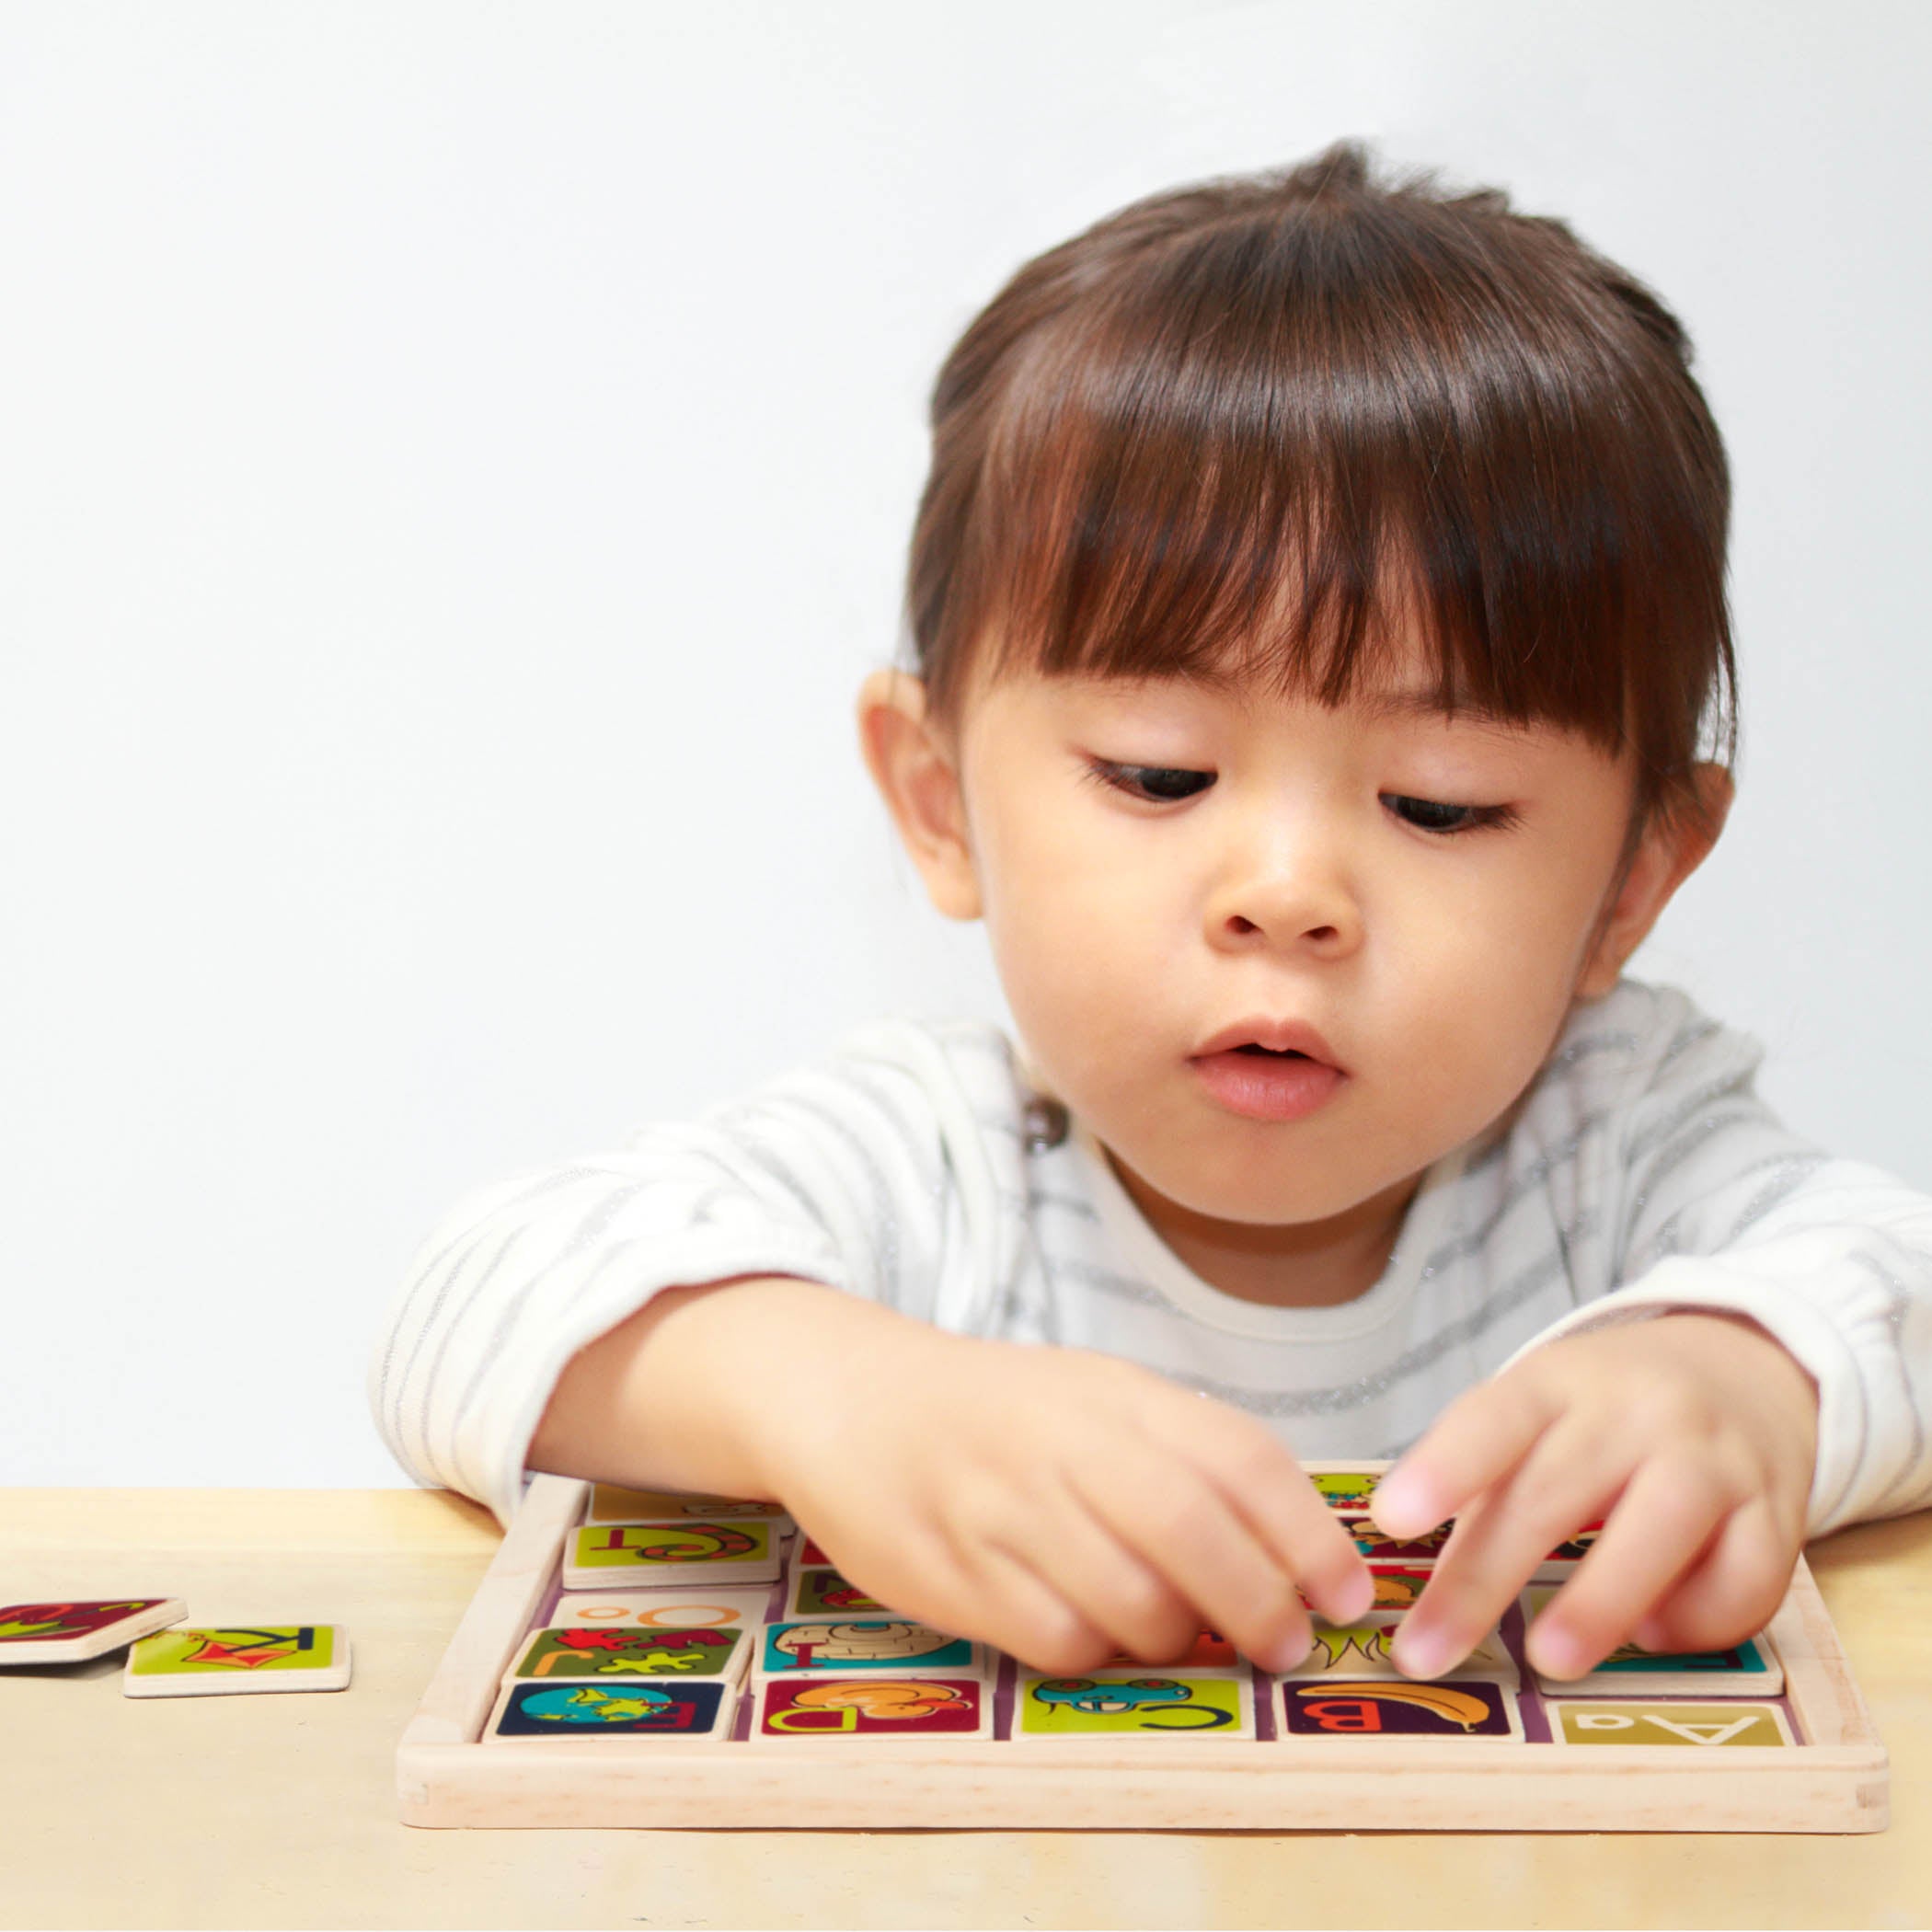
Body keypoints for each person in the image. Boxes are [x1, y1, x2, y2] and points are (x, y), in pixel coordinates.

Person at [369, 144, 1932, 1686]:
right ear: (938, 801)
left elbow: (1895, 1280)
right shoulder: (943, 1162)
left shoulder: (1618, 1146)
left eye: (1440, 804)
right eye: (1158, 774)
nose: (1285, 898)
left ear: (1634, 883)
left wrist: (1751, 1374)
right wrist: (842, 1394)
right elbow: (467, 1301)